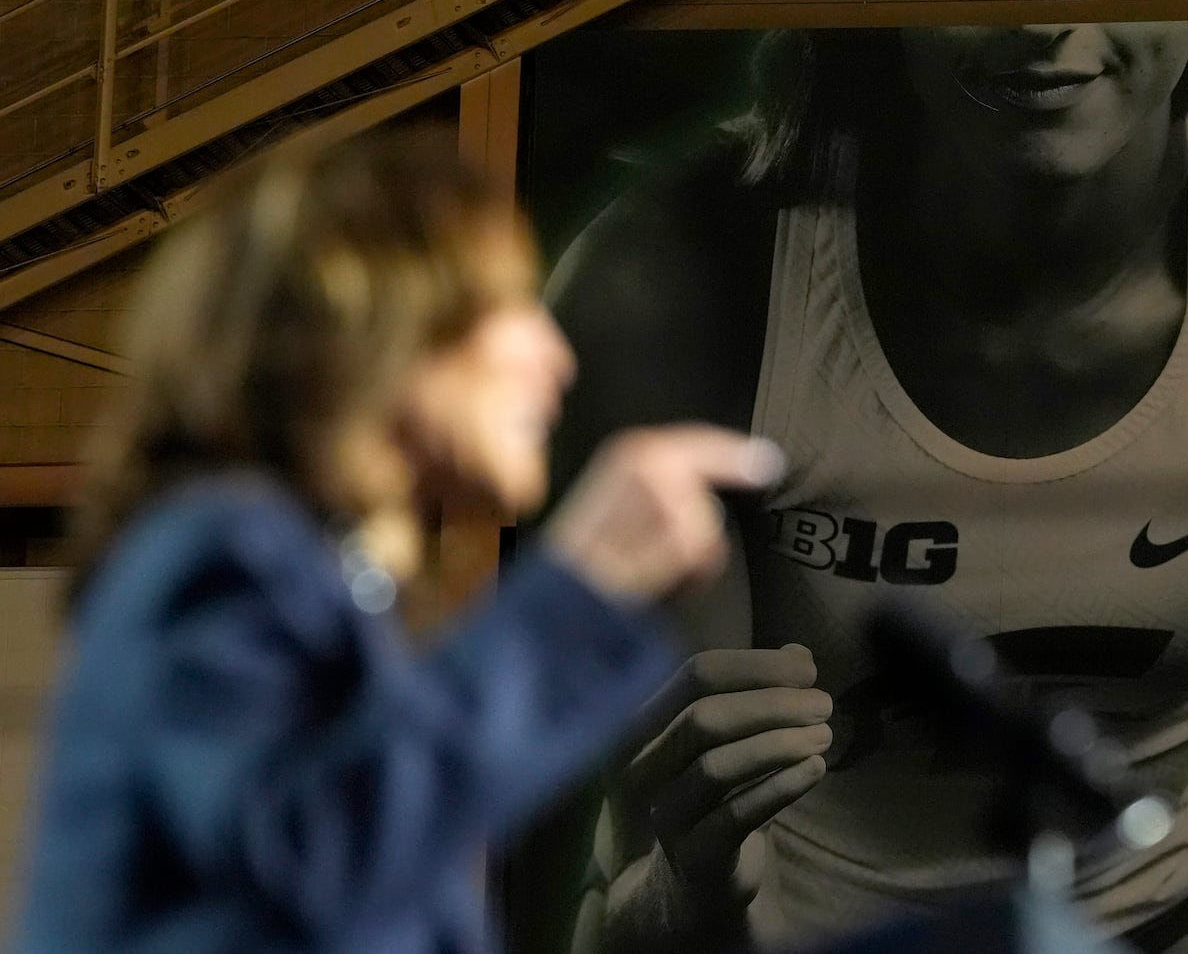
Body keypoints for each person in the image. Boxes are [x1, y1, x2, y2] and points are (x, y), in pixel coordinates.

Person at [540, 22, 1188, 954]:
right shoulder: (667, 289)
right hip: (800, 925)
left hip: (1174, 895)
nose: (1045, 21)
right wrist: (683, 897)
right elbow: (670, 864)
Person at [11, 129, 786, 954]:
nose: (554, 355)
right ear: (381, 322)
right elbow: (309, 863)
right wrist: (582, 589)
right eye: (510, 306)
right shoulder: (223, 552)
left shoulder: (320, 580)